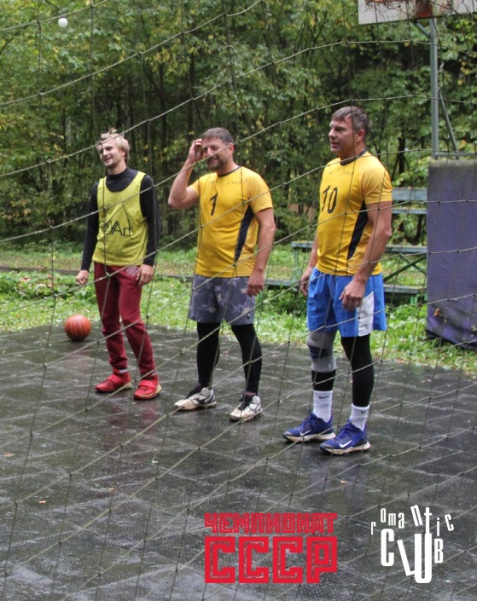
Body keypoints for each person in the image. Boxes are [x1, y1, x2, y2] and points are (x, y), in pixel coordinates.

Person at [283, 106, 392, 455]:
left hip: (353, 276)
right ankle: (321, 419)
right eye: (331, 127)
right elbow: (325, 221)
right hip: (324, 274)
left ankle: (358, 429)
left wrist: (360, 279)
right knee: (318, 344)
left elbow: (383, 229)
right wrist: (311, 264)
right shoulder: (331, 168)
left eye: (339, 129)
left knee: (356, 350)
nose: (331, 134)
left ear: (359, 134)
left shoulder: (373, 171)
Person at [167, 128, 275, 422]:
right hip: (205, 270)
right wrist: (189, 162)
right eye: (205, 149)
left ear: (231, 148)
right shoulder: (205, 181)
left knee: (244, 333)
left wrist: (259, 270)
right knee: (205, 332)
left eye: (214, 148)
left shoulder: (250, 180)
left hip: (237, 273)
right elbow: (175, 201)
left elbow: (268, 226)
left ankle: (252, 398)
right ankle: (204, 390)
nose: (209, 154)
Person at [76, 130, 162, 400]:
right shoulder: (98, 187)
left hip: (131, 264)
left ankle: (150, 377)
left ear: (123, 151)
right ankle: (120, 373)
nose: (105, 154)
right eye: (102, 151)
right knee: (108, 321)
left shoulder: (142, 182)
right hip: (103, 262)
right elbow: (92, 228)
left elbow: (155, 223)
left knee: (131, 319)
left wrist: (149, 262)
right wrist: (85, 266)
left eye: (110, 149)